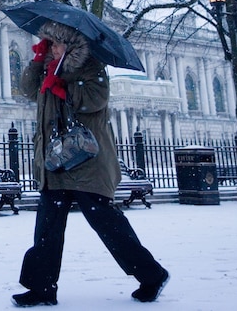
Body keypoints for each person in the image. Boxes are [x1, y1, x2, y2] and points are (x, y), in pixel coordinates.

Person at [12, 22, 168, 307]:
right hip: (56, 161)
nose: (51, 48)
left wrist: (65, 81)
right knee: (46, 229)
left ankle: (151, 275)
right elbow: (27, 90)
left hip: (86, 163)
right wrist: (38, 63)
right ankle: (42, 288)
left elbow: (93, 102)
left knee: (108, 225)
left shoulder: (91, 67)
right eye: (48, 44)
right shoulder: (49, 70)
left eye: (56, 44)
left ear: (70, 45)